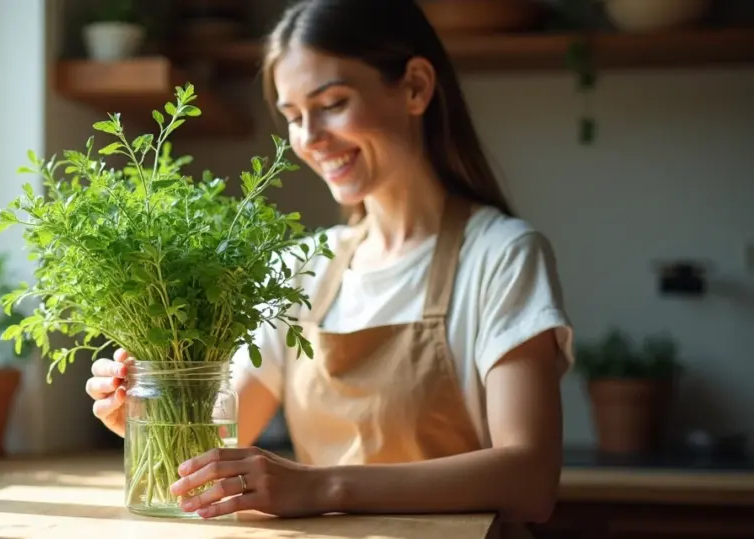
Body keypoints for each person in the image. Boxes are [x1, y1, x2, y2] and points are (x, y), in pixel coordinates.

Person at [84, 0, 574, 529]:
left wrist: (321, 484)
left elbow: (530, 480)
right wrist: (149, 413)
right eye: (293, 116)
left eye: (333, 103)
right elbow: (223, 436)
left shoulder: (501, 256)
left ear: (415, 87)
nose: (309, 138)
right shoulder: (303, 267)